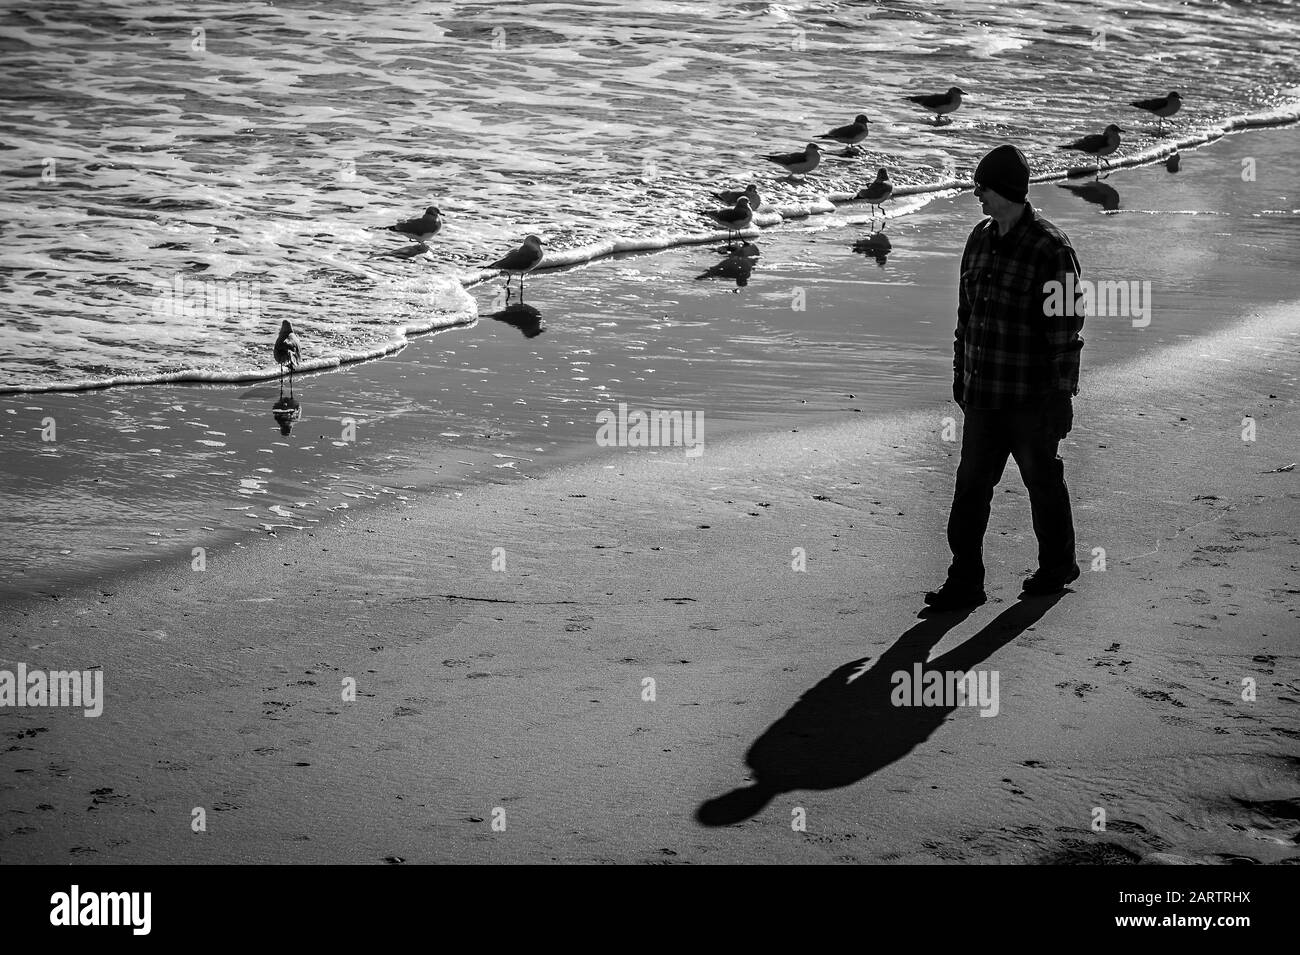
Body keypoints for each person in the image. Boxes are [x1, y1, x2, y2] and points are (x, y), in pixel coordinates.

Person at [925, 145, 1084, 611]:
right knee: (970, 486)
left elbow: (1067, 327)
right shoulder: (978, 238)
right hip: (982, 394)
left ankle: (1058, 566)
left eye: (983, 189)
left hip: (1032, 397)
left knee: (1042, 481)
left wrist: (1061, 395)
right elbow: (965, 315)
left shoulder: (1051, 248)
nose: (977, 197)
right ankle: (965, 580)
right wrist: (960, 368)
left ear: (1006, 192)